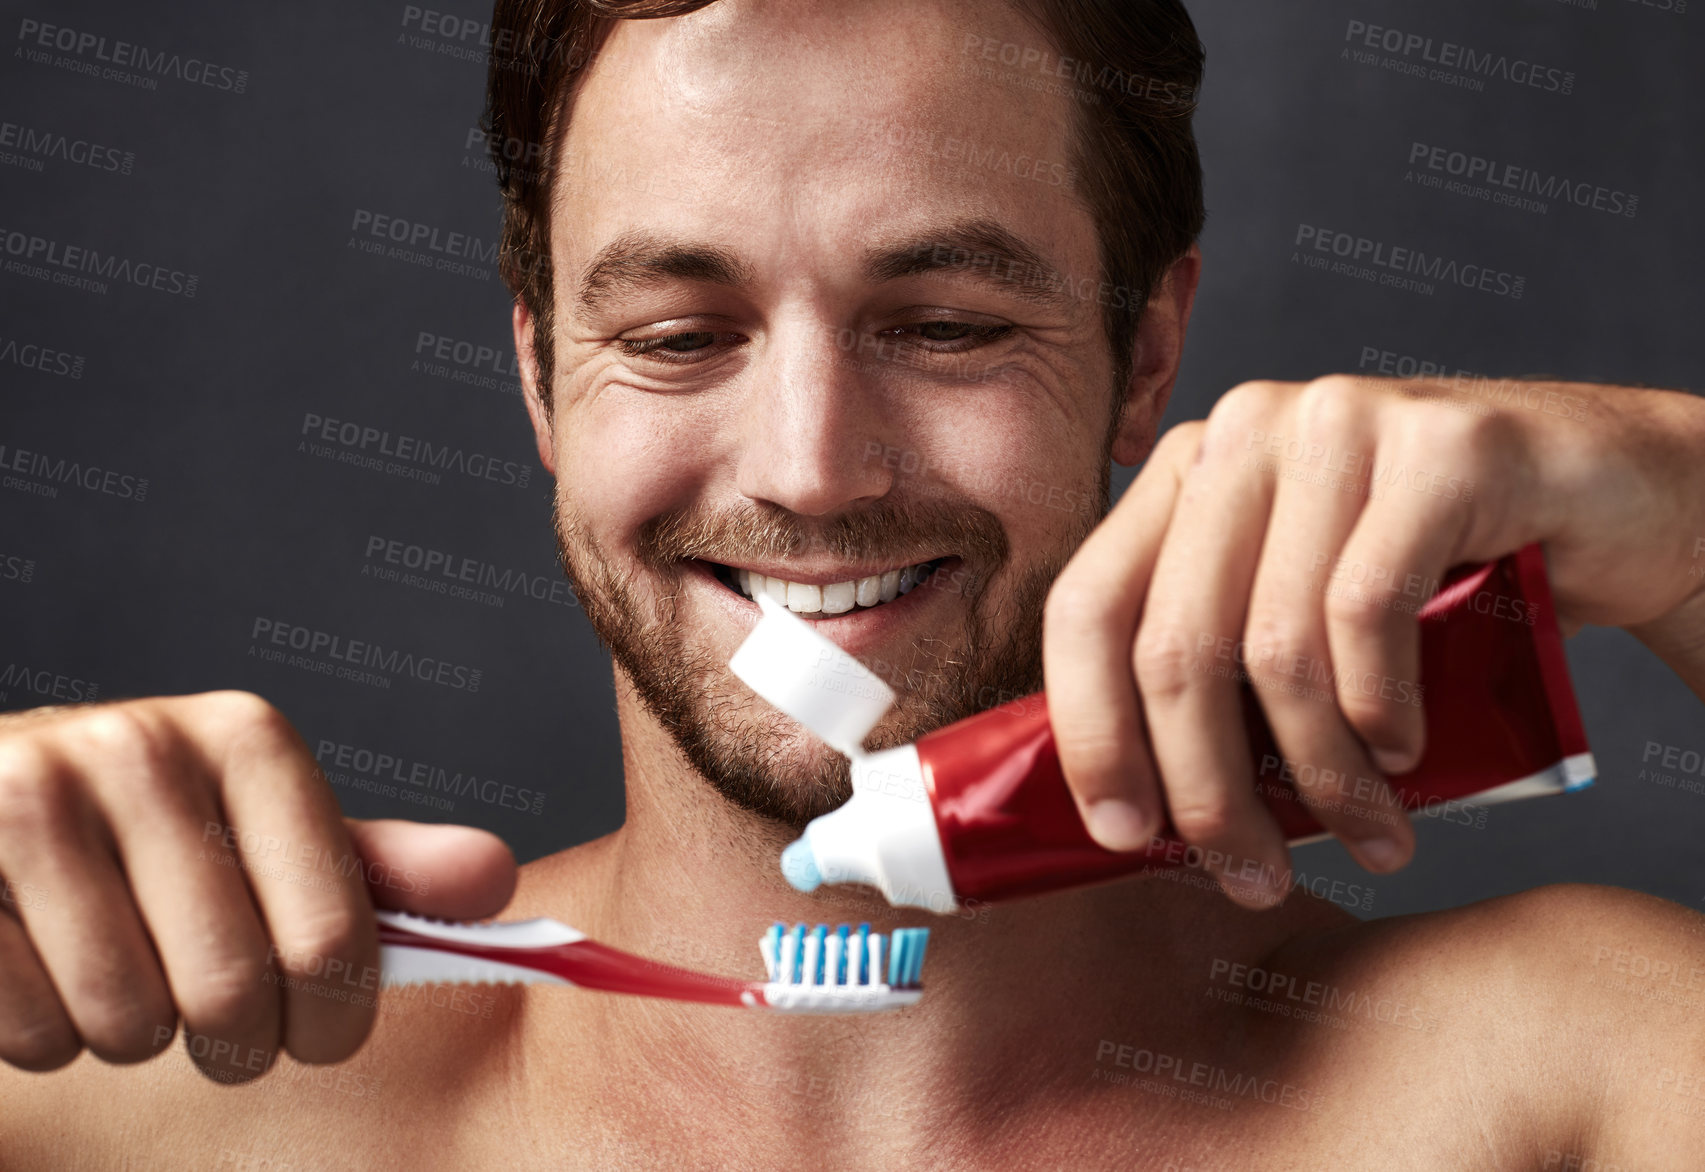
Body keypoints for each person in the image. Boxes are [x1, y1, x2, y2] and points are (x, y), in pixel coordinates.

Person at [3, 0, 1704, 1166]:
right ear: (540, 381)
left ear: (1143, 353)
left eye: (949, 327)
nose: (811, 468)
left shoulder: (1565, 1083)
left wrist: (1684, 512)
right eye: (677, 337)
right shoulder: (129, 1112)